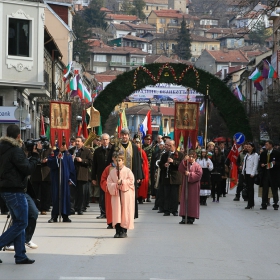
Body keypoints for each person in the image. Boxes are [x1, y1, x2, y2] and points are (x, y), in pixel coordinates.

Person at [0, 124, 40, 264]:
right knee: (22, 222)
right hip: (15, 190)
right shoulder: (15, 150)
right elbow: (27, 169)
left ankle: (20, 255)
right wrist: (35, 156)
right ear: (18, 136)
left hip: (6, 189)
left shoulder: (3, 148)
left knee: (19, 222)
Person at [107, 151, 135, 238]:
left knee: (125, 212)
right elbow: (109, 183)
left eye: (119, 160)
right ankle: (117, 230)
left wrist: (122, 182)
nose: (118, 162)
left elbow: (131, 182)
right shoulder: (112, 172)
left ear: (123, 161)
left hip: (125, 195)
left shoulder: (128, 171)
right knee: (117, 212)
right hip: (116, 195)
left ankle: (124, 230)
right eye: (116, 160)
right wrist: (115, 185)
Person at [47, 143, 76, 222]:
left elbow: (71, 168)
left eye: (64, 145)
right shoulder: (54, 153)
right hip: (56, 179)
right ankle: (54, 216)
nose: (63, 147)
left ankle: (65, 215)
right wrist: (57, 158)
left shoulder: (68, 155)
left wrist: (71, 179)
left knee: (65, 196)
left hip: (65, 179)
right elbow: (50, 163)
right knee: (56, 196)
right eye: (62, 145)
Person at [118, 128, 143, 219]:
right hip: (119, 175)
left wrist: (139, 176)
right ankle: (120, 214)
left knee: (131, 195)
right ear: (120, 135)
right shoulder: (116, 146)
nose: (124, 136)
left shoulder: (134, 147)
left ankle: (131, 214)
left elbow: (138, 162)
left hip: (131, 175)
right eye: (123, 134)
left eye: (126, 134)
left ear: (129, 136)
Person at [159, 140, 184, 216]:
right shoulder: (165, 155)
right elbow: (160, 165)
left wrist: (173, 161)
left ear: (174, 146)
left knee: (174, 195)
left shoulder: (180, 155)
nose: (168, 147)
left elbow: (182, 165)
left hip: (175, 178)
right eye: (168, 145)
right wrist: (164, 165)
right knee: (166, 195)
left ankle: (174, 210)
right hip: (166, 178)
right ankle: (166, 210)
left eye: (170, 145)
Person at [92, 133, 114, 219]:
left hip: (111, 176)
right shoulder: (97, 151)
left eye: (106, 139)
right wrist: (93, 177)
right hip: (101, 176)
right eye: (103, 139)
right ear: (101, 141)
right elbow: (94, 165)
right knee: (102, 195)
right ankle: (103, 212)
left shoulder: (113, 150)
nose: (105, 141)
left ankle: (111, 212)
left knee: (111, 194)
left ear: (109, 140)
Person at [178, 150, 203, 224]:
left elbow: (199, 175)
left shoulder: (197, 166)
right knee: (184, 200)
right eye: (190, 157)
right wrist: (184, 160)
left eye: (192, 157)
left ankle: (191, 217)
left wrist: (190, 174)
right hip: (186, 185)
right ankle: (184, 217)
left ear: (195, 157)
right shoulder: (186, 165)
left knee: (192, 201)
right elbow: (180, 169)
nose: (191, 158)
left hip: (194, 186)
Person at [70, 136, 92, 215]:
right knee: (72, 193)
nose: (77, 143)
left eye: (79, 141)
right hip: (73, 175)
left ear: (82, 143)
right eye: (76, 141)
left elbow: (90, 162)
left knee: (81, 193)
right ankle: (72, 208)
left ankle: (80, 208)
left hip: (82, 174)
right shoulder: (71, 150)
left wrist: (82, 160)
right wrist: (70, 158)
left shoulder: (87, 151)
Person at [259, 140, 280, 210]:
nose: (266, 146)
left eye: (267, 144)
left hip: (274, 174)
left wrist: (275, 163)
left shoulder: (276, 153)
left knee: (274, 189)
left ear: (271, 145)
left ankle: (275, 203)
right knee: (265, 189)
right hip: (265, 173)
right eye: (265, 144)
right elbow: (260, 162)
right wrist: (261, 164)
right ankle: (264, 203)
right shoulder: (264, 153)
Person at [242, 142, 259, 209]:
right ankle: (250, 202)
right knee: (248, 188)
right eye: (247, 147)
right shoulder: (246, 155)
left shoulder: (255, 155)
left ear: (253, 147)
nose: (248, 148)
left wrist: (253, 173)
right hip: (246, 172)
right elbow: (244, 164)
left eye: (249, 147)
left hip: (251, 174)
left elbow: (255, 165)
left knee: (250, 189)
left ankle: (250, 203)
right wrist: (243, 172)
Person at [135, 138, 149, 204]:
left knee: (141, 184)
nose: (136, 144)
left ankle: (141, 197)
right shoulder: (133, 151)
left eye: (138, 143)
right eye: (135, 143)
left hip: (141, 169)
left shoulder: (142, 151)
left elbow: (145, 162)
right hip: (135, 169)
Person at [143, 134, 153, 202]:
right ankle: (143, 196)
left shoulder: (153, 148)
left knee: (149, 182)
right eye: (147, 140)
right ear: (144, 140)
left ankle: (148, 195)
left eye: (149, 140)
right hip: (143, 166)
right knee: (143, 181)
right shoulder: (142, 147)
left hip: (150, 166)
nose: (148, 141)